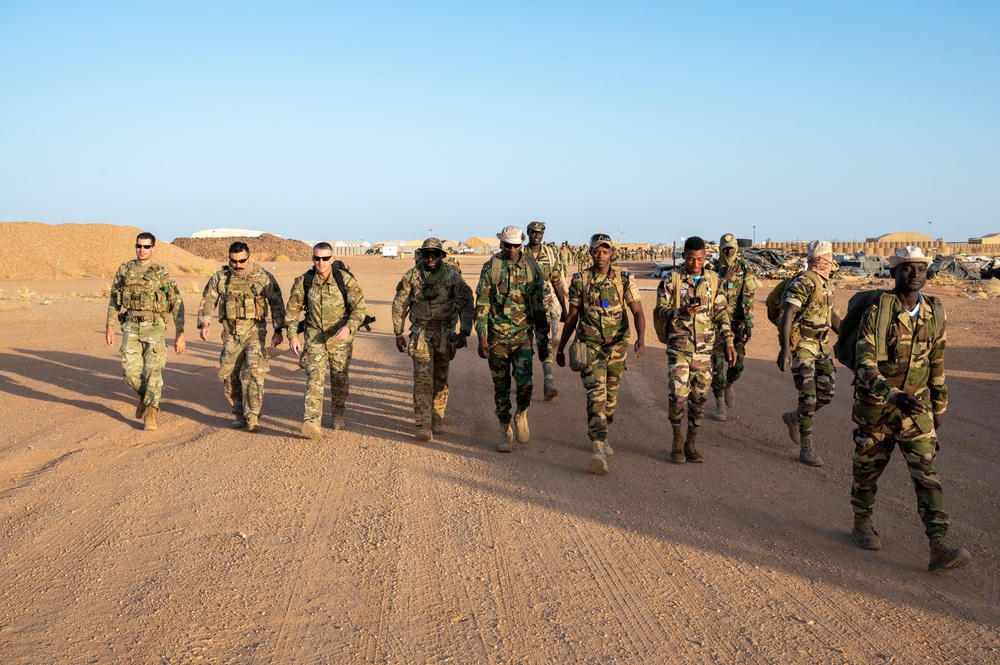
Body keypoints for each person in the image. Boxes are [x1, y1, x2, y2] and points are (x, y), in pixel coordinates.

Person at [849, 246, 970, 572]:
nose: (914, 274)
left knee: (926, 474)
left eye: (920, 268)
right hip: (878, 408)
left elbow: (937, 361)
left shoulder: (935, 311)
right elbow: (864, 364)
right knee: (866, 473)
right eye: (907, 268)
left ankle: (938, 543)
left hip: (917, 409)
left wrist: (939, 404)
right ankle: (862, 521)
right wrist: (892, 395)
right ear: (894, 273)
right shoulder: (879, 311)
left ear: (927, 273)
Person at [555, 233, 645, 475]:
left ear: (611, 253)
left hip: (616, 346)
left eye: (605, 251)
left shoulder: (623, 279)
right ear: (590, 252)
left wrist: (641, 339)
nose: (601, 255)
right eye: (597, 251)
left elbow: (637, 311)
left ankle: (604, 436)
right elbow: (573, 316)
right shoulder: (580, 280)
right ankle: (597, 445)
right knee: (597, 393)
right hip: (590, 346)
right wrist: (562, 347)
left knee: (611, 398)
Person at [655, 236, 736, 463]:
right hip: (679, 349)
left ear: (705, 257)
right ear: (684, 257)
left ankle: (691, 443)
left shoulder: (713, 280)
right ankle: (677, 442)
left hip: (704, 351)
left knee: (699, 399)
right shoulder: (671, 279)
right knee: (678, 397)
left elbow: (721, 313)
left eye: (700, 259)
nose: (696, 264)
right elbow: (660, 310)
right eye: (691, 259)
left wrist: (729, 341)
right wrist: (680, 311)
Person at [475, 225, 550, 452]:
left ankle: (521, 413)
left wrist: (543, 338)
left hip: (523, 337)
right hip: (497, 338)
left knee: (525, 384)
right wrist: (481, 335)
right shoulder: (491, 268)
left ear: (521, 245)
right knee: (501, 387)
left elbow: (538, 305)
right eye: (508, 245)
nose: (511, 249)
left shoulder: (531, 267)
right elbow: (482, 303)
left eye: (516, 246)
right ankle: (505, 429)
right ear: (501, 244)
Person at [197, 241, 286, 432]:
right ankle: (238, 413)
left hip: (254, 331)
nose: (238, 265)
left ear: (249, 257)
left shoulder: (262, 276)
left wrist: (278, 330)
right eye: (233, 261)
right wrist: (205, 323)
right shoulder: (221, 277)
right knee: (230, 375)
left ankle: (253, 415)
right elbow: (208, 300)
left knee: (253, 372)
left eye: (242, 261)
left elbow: (276, 303)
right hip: (230, 333)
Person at [392, 238, 474, 441]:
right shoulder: (411, 276)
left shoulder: (452, 276)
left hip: (445, 334)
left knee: (440, 379)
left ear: (441, 256)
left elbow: (465, 301)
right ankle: (423, 423)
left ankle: (437, 417)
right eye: (426, 253)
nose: (430, 258)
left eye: (435, 254)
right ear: (420, 255)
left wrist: (464, 331)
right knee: (422, 379)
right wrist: (398, 332)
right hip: (421, 334)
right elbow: (400, 304)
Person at [285, 242, 368, 439]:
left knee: (339, 378)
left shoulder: (345, 281)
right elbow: (292, 311)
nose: (320, 262)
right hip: (314, 338)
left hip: (339, 339)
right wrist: (293, 336)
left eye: (325, 258)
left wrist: (349, 327)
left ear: (332, 259)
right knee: (314, 377)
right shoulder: (304, 281)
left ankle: (338, 414)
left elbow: (359, 309)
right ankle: (312, 421)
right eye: (317, 258)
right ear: (312, 259)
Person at [105, 232, 186, 430]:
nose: (142, 250)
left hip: (155, 327)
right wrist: (109, 326)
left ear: (153, 249)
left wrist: (180, 333)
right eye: (139, 246)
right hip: (131, 326)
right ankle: (145, 396)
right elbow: (114, 299)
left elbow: (176, 302)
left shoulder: (160, 273)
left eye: (146, 246)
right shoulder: (125, 270)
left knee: (153, 371)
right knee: (129, 373)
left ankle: (151, 412)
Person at [777, 240, 841, 466]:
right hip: (803, 347)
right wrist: (785, 349)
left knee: (827, 393)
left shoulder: (827, 284)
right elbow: (788, 314)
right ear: (824, 259)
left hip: (822, 347)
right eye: (830, 257)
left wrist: (845, 336)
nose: (832, 261)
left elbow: (830, 314)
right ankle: (807, 448)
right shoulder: (804, 282)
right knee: (809, 397)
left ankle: (794, 418)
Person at [710, 233, 757, 421]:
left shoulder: (744, 268)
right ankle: (719, 402)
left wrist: (748, 324)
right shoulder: (711, 269)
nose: (729, 250)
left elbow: (748, 298)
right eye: (725, 247)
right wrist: (721, 277)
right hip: (714, 325)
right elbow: (706, 292)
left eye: (732, 247)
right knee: (716, 366)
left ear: (736, 248)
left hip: (736, 324)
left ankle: (729, 384)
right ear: (721, 248)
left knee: (737, 365)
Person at [524, 221, 568, 400]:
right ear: (528, 233)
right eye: (533, 232)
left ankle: (548, 381)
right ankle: (524, 382)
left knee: (545, 343)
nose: (536, 235)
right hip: (524, 307)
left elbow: (556, 281)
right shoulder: (520, 253)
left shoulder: (550, 255)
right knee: (524, 345)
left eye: (540, 233)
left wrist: (564, 309)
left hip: (546, 305)